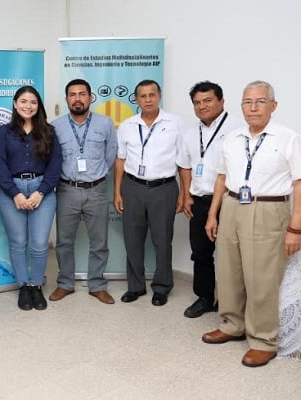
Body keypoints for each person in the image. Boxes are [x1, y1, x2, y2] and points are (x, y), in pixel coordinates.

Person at [202, 80, 301, 367]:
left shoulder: (288, 138)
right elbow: (221, 177)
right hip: (232, 205)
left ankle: (264, 340)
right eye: (247, 102)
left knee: (262, 277)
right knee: (229, 269)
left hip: (268, 208)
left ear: (274, 105)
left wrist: (296, 228)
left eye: (260, 101)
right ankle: (233, 324)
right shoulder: (232, 137)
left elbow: (299, 183)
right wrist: (213, 213)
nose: (253, 107)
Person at [177, 81, 246, 318]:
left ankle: (232, 304)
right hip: (199, 199)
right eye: (197, 102)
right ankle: (205, 297)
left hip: (229, 201)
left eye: (207, 100)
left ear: (221, 101)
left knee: (231, 255)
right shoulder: (189, 131)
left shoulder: (239, 128)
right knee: (201, 253)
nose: (202, 106)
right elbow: (185, 166)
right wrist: (186, 195)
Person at [113, 79, 184, 306]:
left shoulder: (175, 123)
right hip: (132, 187)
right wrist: (117, 191)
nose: (148, 100)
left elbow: (184, 161)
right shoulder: (127, 125)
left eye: (152, 95)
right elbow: (120, 160)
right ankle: (135, 287)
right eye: (142, 96)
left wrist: (184, 193)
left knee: (162, 240)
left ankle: (162, 287)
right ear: (136, 99)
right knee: (132, 240)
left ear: (159, 96)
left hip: (164, 188)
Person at [0, 86, 62, 311]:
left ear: (38, 106)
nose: (28, 106)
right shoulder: (4, 132)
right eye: (23, 101)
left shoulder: (49, 132)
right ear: (15, 104)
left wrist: (40, 192)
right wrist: (15, 194)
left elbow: (55, 166)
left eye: (33, 102)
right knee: (18, 242)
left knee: (40, 244)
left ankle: (36, 285)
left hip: (41, 190)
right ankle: (23, 286)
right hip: (11, 191)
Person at [49, 79, 117, 304]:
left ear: (90, 97)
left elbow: (111, 156)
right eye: (72, 94)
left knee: (99, 242)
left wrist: (96, 177)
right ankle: (65, 283)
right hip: (66, 190)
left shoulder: (105, 124)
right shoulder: (55, 126)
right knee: (64, 242)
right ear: (67, 98)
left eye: (82, 94)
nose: (77, 98)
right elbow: (51, 159)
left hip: (97, 190)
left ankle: (97, 284)